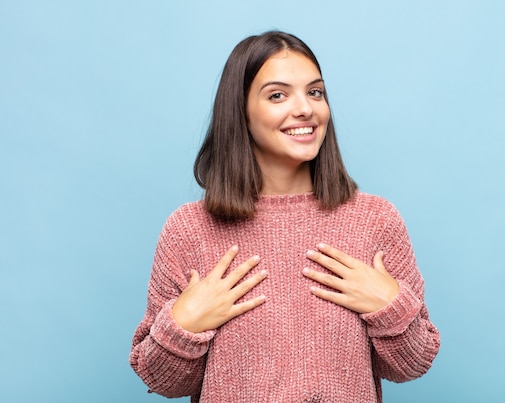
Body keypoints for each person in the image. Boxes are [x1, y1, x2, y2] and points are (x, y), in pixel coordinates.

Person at [130, 31, 440, 403]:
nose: (306, 109)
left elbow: (413, 364)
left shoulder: (375, 220)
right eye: (278, 95)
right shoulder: (189, 231)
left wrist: (389, 305)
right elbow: (162, 381)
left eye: (315, 92)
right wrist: (184, 325)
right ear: (241, 113)